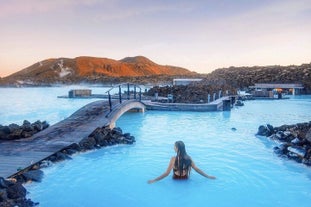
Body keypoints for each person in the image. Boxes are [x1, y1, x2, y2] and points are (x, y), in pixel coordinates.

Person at [148, 141, 216, 184]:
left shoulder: (173, 159)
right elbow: (197, 169)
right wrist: (208, 176)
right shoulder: (189, 158)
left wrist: (154, 180)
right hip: (185, 179)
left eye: (174, 146)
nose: (173, 148)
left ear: (177, 148)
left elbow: (166, 173)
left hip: (175, 179)